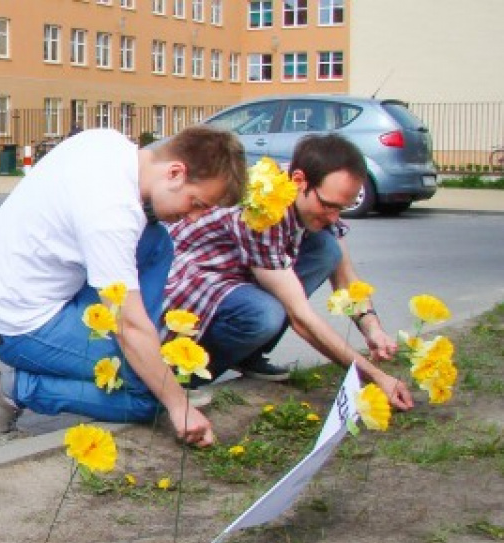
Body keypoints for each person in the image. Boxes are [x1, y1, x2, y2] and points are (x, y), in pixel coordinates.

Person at [0, 126, 246, 447]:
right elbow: (128, 326)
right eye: (196, 204)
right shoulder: (112, 213)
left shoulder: (111, 144)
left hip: (5, 287)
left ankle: (140, 355)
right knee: (150, 397)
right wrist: (179, 405)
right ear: (176, 173)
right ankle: (10, 391)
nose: (192, 219)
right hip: (14, 324)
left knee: (157, 242)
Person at [164, 133, 414, 411]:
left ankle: (248, 354)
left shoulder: (315, 199)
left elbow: (346, 280)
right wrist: (375, 376)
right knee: (264, 314)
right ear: (299, 181)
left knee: (328, 249)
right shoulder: (264, 208)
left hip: (239, 276)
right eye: (329, 205)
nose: (334, 216)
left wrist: (373, 330)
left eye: (341, 208)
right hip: (191, 282)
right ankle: (180, 378)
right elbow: (301, 319)